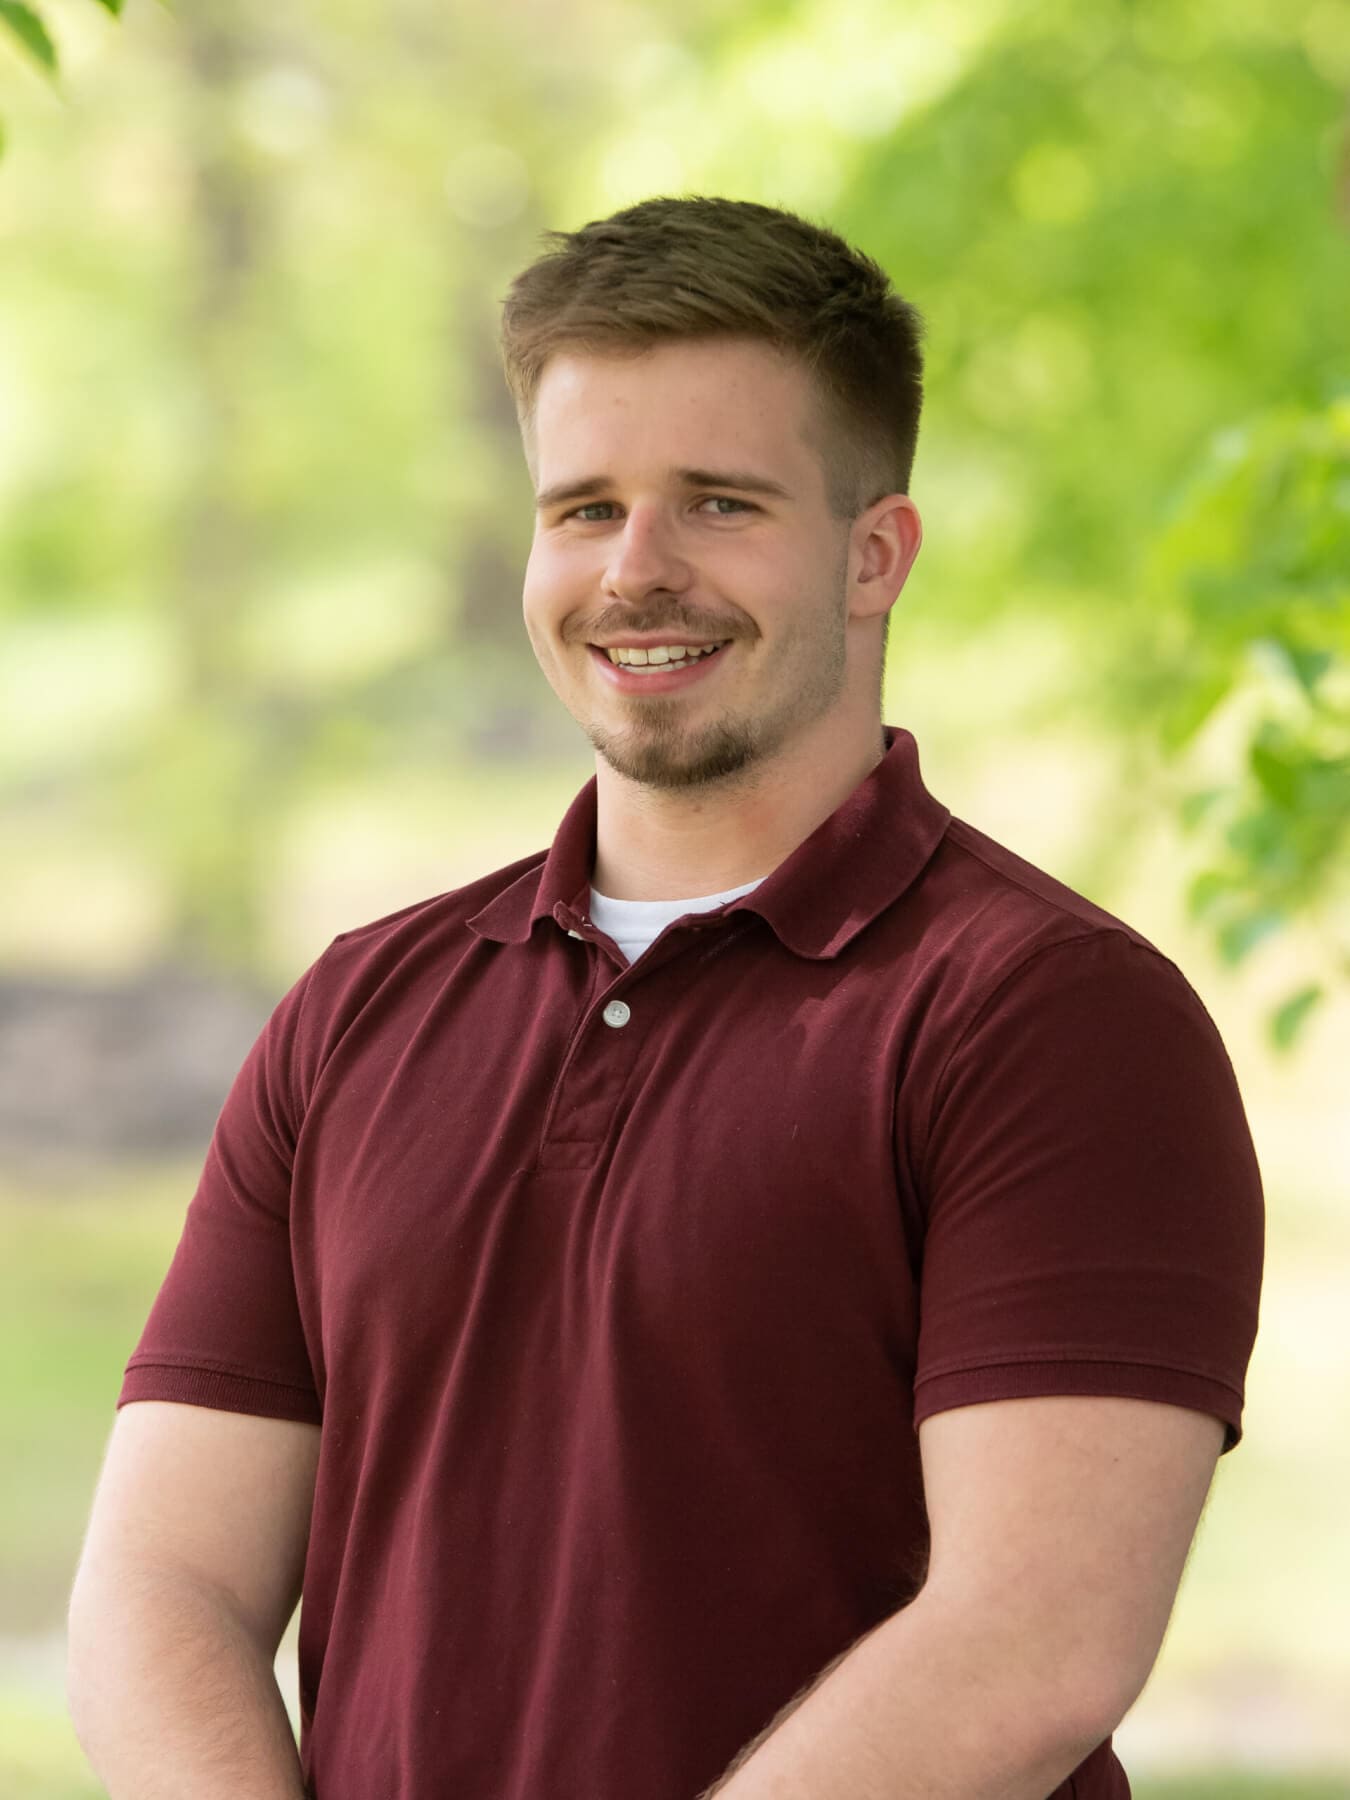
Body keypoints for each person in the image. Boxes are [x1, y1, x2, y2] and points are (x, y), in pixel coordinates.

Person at [67, 196, 1264, 1800]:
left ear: (872, 554)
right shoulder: (359, 1011)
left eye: (716, 504)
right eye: (583, 508)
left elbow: (1026, 1647)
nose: (636, 573)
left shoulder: (1051, 1021)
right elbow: (164, 1589)